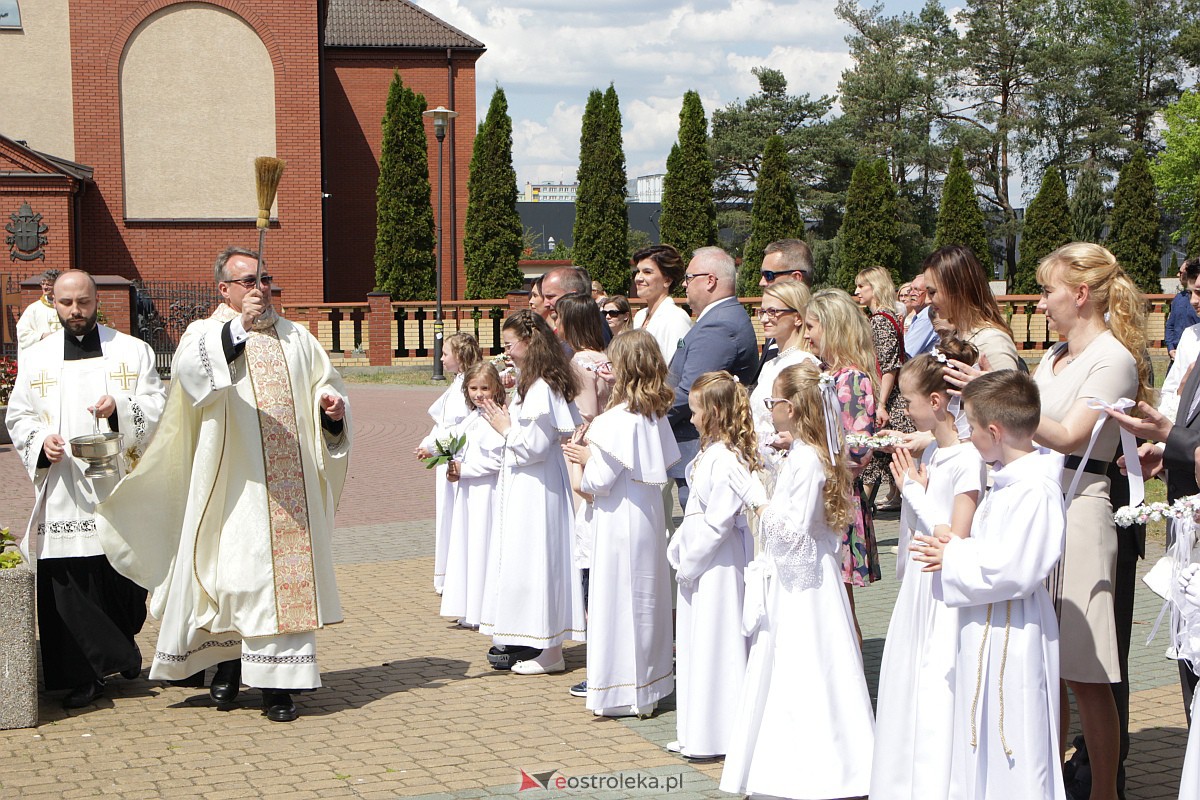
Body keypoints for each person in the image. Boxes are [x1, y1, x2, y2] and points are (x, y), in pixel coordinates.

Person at [95, 246, 351, 723]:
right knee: (233, 579)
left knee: (279, 584)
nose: (260, 289)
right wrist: (239, 329)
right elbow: (193, 378)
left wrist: (332, 409)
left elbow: (325, 383)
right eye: (249, 281)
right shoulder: (205, 333)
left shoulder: (297, 337)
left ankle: (278, 687)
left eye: (265, 279)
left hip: (290, 490)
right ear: (224, 289)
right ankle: (228, 666)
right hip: (231, 483)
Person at [6, 269, 167, 709]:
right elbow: (19, 415)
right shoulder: (37, 357)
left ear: (98, 301)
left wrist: (120, 408)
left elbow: (157, 404)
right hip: (63, 486)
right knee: (69, 581)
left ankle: (118, 650)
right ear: (52, 303)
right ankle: (85, 675)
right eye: (66, 303)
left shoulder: (131, 350)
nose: (75, 311)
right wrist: (42, 441)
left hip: (119, 484)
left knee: (122, 579)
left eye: (83, 302)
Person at [720, 361, 875, 798]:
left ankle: (819, 767)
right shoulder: (809, 450)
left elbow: (792, 531)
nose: (769, 408)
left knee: (807, 664)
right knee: (811, 663)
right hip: (809, 575)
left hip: (803, 585)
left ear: (792, 407)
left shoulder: (808, 458)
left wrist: (757, 499)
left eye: (773, 401)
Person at [912, 369, 1067, 800]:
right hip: (988, 622)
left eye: (973, 427)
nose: (968, 434)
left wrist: (953, 557)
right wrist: (954, 545)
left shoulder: (1035, 488)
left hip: (1016, 629)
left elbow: (1017, 568)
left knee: (1014, 729)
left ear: (995, 432)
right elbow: (992, 548)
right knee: (981, 726)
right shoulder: (1007, 479)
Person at [870, 338, 986, 800]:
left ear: (936, 402)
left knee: (936, 680)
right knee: (909, 676)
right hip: (921, 582)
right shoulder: (937, 452)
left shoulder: (967, 460)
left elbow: (955, 537)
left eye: (908, 401)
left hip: (943, 589)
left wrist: (913, 492)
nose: (904, 410)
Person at [563, 329, 679, 718]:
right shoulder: (655, 414)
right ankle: (648, 687)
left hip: (617, 521)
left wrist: (582, 457)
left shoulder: (613, 421)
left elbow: (597, 482)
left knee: (617, 600)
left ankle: (621, 689)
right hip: (648, 516)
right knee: (646, 598)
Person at [666, 371, 766, 760]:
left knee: (716, 642)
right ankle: (698, 730)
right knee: (698, 642)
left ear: (715, 413)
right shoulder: (712, 454)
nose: (691, 419)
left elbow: (717, 523)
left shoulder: (725, 460)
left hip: (718, 565)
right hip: (704, 560)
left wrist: (690, 562)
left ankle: (718, 734)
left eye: (696, 412)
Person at [478, 310, 584, 675]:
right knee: (527, 559)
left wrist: (506, 428)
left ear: (529, 342)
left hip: (537, 487)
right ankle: (533, 637)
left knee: (540, 558)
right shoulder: (532, 383)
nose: (505, 351)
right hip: (528, 485)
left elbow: (535, 447)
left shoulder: (542, 388)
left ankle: (550, 648)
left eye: (510, 344)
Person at [803, 288, 881, 635]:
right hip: (824, 496)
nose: (806, 335)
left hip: (838, 500)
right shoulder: (825, 373)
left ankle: (854, 665)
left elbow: (858, 450)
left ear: (832, 327)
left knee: (841, 606)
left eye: (811, 326)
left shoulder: (852, 379)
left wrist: (808, 449)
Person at [667, 246, 758, 509]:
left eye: (688, 278)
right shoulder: (717, 318)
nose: (683, 285)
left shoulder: (719, 324)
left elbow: (691, 392)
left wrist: (648, 418)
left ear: (710, 280)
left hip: (701, 446)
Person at [441, 362, 506, 629]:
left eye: (484, 388)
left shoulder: (496, 418)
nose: (478, 394)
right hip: (468, 492)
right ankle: (469, 606)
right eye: (473, 388)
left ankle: (483, 610)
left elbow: (498, 460)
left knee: (481, 544)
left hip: (486, 492)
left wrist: (465, 470)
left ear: (496, 388)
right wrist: (452, 468)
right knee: (467, 544)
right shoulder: (473, 417)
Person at [414, 332, 481, 594]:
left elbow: (461, 427)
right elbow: (442, 423)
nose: (440, 359)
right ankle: (449, 575)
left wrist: (433, 446)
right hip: (446, 454)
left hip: (458, 457)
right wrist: (428, 443)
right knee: (447, 514)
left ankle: (456, 577)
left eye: (445, 354)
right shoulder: (458, 383)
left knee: (455, 514)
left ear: (460, 356)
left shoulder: (469, 385)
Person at [855, 265, 916, 510]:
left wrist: (881, 403)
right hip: (890, 398)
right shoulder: (887, 316)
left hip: (890, 400)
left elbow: (889, 366)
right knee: (881, 460)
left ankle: (860, 514)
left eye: (861, 286)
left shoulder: (881, 320)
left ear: (875, 287)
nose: (857, 291)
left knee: (881, 456)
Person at [748, 280, 817, 478]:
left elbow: (810, 425)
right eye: (762, 312)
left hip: (787, 467)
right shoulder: (770, 364)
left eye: (773, 312)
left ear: (797, 317)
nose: (764, 319)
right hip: (761, 464)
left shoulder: (804, 362)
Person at [923, 245, 1021, 372]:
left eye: (932, 292)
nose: (927, 300)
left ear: (958, 289)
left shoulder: (992, 342)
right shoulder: (958, 334)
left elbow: (1010, 385)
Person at [752, 238, 813, 383]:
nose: (761, 282)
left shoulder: (817, 335)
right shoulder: (777, 325)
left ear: (796, 278)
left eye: (769, 275)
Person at [554, 293, 611, 423]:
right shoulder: (602, 356)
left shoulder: (581, 362)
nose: (555, 322)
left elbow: (586, 414)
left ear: (570, 322)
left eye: (558, 317)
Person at [631, 244, 692, 362]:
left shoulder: (676, 319)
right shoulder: (640, 316)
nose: (638, 278)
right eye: (637, 271)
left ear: (667, 280)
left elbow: (676, 367)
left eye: (647, 272)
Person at [15, 268, 62, 352]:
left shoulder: (67, 306)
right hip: (43, 352)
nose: (44, 287)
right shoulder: (33, 308)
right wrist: (42, 336)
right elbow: (22, 332)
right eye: (43, 284)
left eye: (48, 284)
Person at [1167, 258, 1200, 363]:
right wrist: (1170, 347)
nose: (1193, 301)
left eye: (1181, 272)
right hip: (1177, 357)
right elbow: (1170, 325)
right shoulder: (1178, 298)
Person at [904, 273, 938, 359]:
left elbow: (908, 352)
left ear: (928, 293)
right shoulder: (919, 315)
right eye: (910, 290)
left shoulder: (926, 317)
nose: (911, 294)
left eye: (917, 290)